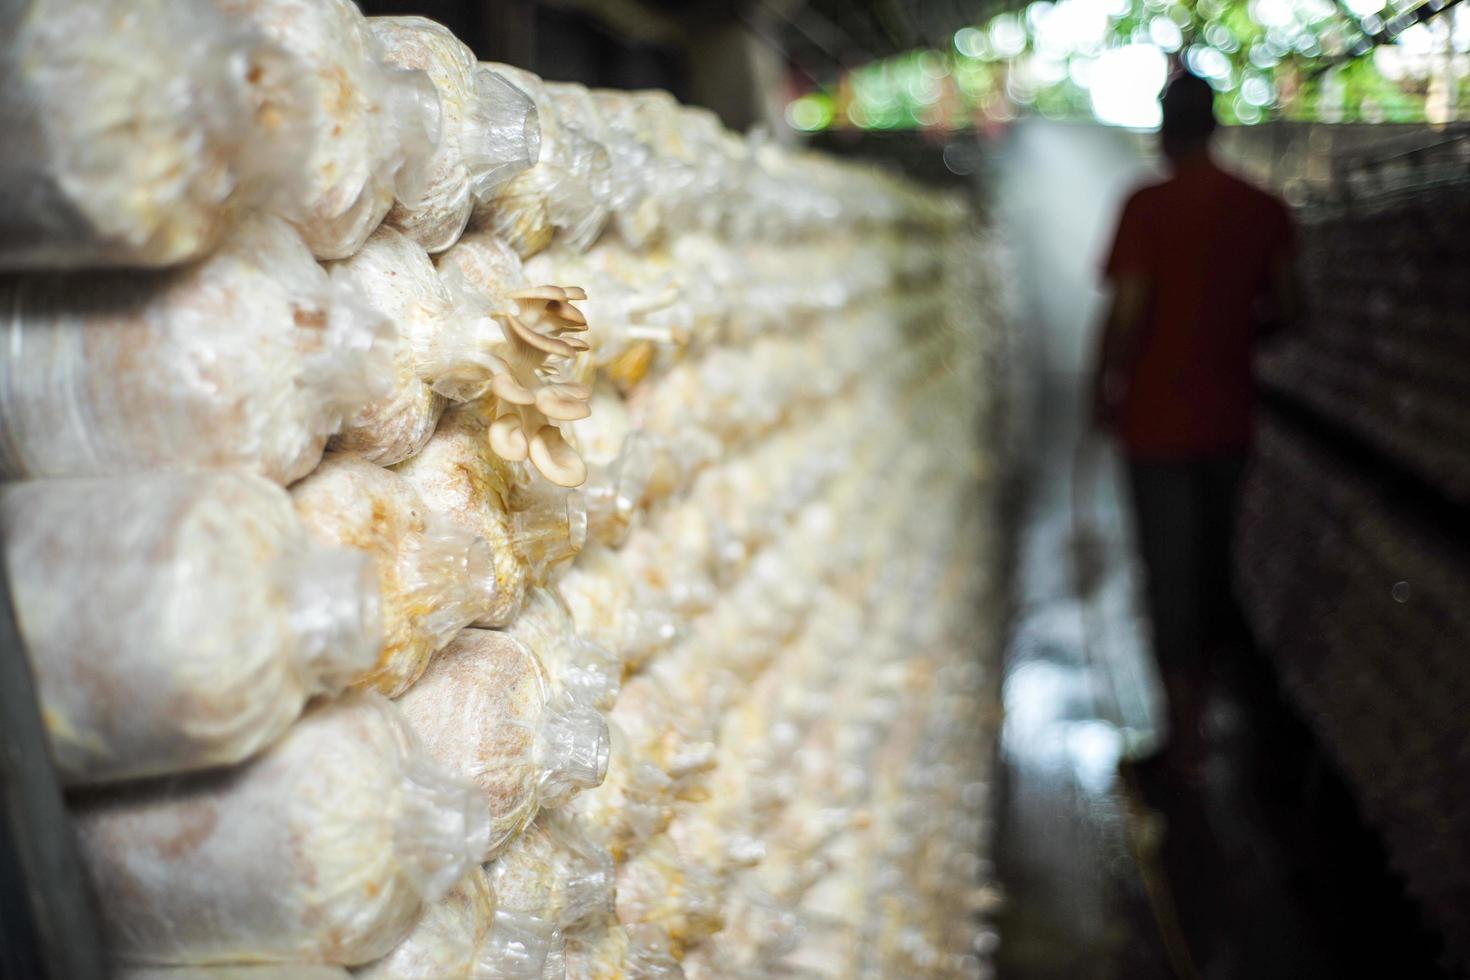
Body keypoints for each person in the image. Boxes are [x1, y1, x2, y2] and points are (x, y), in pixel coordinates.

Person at [1091, 73, 1298, 778]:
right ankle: (1201, 723)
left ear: (1165, 128)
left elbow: (1126, 310)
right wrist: (1235, 334)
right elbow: (1295, 309)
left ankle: (1182, 742)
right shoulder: (1263, 209)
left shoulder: (1148, 207)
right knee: (1211, 568)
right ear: (1215, 126)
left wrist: (1102, 386)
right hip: (1228, 421)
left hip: (1156, 425)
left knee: (1169, 573)